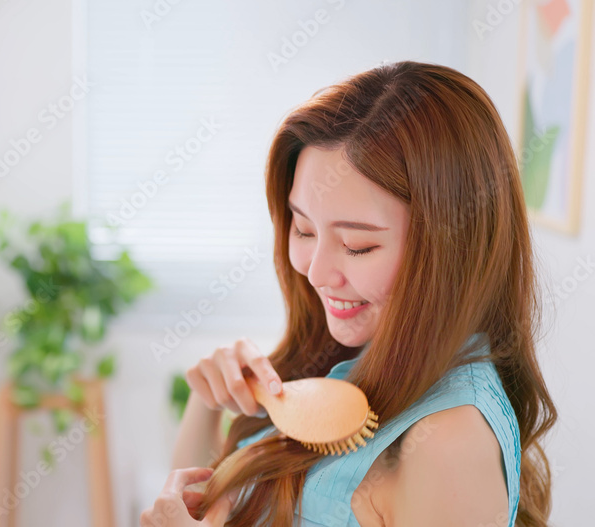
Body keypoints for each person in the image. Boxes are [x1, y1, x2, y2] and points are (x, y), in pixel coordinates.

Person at [140, 61, 557, 526]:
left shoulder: (448, 440)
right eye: (303, 229)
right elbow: (206, 497)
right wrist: (208, 401)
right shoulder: (359, 353)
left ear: (450, 248)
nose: (316, 272)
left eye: (358, 246)